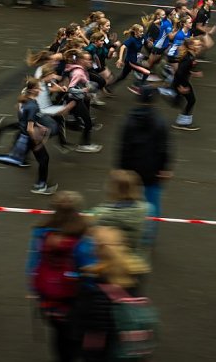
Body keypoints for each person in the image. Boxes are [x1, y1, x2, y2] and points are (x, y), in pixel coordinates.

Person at [26, 191, 96, 362]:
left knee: (59, 337)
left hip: (50, 299)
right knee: (77, 338)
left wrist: (34, 289)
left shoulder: (42, 233)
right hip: (75, 299)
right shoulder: (82, 235)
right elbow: (90, 269)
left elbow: (33, 263)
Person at [75, 226, 151, 362]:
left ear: (98, 251)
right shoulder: (135, 277)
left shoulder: (98, 292)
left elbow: (95, 337)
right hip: (131, 350)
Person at [116, 86, 172, 247]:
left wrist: (120, 168)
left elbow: (124, 147)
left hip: (130, 170)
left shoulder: (129, 120)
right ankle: (147, 237)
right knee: (152, 205)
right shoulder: (159, 122)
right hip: (152, 171)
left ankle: (127, 233)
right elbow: (163, 148)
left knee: (126, 202)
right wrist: (165, 168)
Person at [91, 170, 152, 258]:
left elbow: (96, 240)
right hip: (136, 260)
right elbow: (146, 240)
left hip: (112, 262)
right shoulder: (147, 209)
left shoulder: (103, 214)